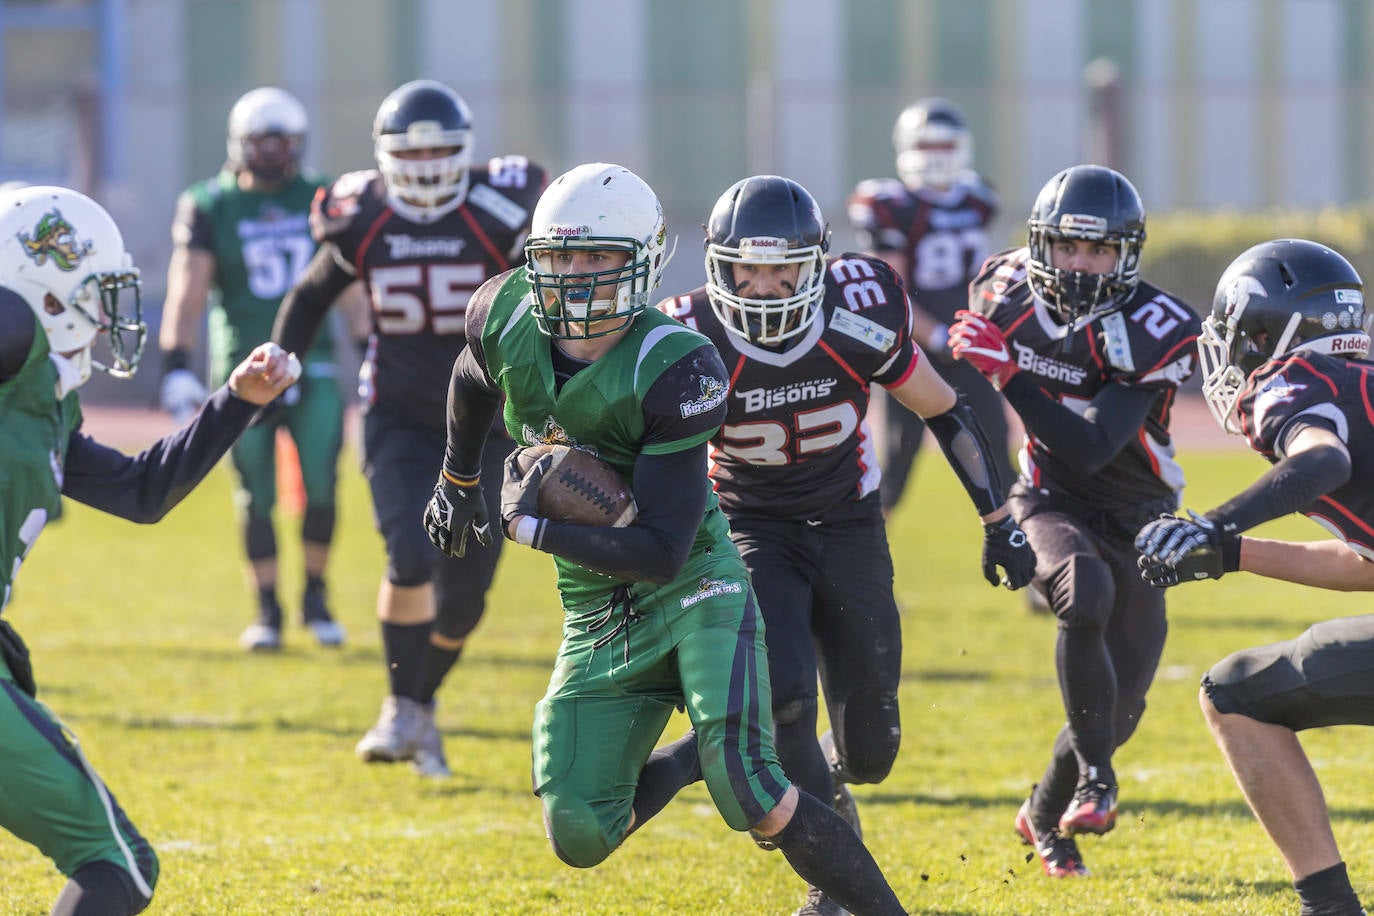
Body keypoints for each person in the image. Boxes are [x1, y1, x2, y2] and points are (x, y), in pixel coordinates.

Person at [422, 162, 909, 916]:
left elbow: (661, 550)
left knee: (750, 785)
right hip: (597, 608)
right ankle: (693, 755)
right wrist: (455, 480)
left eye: (596, 259)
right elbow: (472, 375)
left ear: (641, 262)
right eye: (560, 257)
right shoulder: (503, 312)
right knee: (579, 833)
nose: (575, 277)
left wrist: (533, 525)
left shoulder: (676, 364)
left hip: (693, 586)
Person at [659, 174, 1036, 915]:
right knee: (789, 699)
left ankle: (824, 784)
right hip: (750, 527)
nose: (763, 287)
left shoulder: (860, 308)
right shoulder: (687, 333)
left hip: (849, 523)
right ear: (718, 265)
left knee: (870, 747)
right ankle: (828, 872)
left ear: (818, 264)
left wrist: (998, 520)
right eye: (746, 268)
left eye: (782, 269)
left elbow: (943, 408)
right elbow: (647, 457)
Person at [0, 186, 300, 916]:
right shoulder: (14, 347)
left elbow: (144, 492)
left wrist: (237, 401)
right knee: (119, 867)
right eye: (95, 293)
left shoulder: (44, 398)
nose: (106, 316)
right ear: (45, 291)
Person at [272, 79, 546, 778]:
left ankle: (420, 706)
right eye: (411, 153)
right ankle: (400, 708)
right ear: (385, 157)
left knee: (465, 598)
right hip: (398, 415)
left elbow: (549, 306)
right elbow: (308, 297)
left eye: (440, 151)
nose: (425, 166)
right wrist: (282, 366)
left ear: (465, 152)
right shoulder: (362, 217)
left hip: (490, 421)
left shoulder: (496, 212)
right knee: (411, 554)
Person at [948, 164, 1201, 878]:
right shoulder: (1002, 289)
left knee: (1122, 707)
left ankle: (1044, 814)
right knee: (1081, 592)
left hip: (1138, 512)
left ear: (1128, 254)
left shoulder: (1157, 324)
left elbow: (1093, 445)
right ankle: (1097, 783)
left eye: (1100, 251)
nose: (1083, 264)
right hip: (1047, 500)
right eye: (1068, 248)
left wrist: (1008, 376)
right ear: (1041, 246)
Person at [1136, 239, 1373, 916]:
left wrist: (1216, 525)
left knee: (1235, 694)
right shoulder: (1363, 387)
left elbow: (1322, 463)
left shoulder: (1296, 379)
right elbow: (1367, 567)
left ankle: (1329, 906)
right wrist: (1233, 554)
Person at [160, 86, 350, 652]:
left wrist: (370, 349)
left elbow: (352, 283)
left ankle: (315, 594)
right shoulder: (210, 202)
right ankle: (267, 610)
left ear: (297, 143)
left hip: (311, 363)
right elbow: (187, 289)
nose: (270, 150)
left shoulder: (321, 195)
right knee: (254, 494)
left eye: (281, 139)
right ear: (240, 144)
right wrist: (174, 361)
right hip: (242, 370)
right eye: (260, 140)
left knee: (322, 482)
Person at [847, 98, 1011, 515]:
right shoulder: (891, 205)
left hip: (968, 349)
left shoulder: (978, 197)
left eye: (945, 146)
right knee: (895, 468)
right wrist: (938, 335)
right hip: (916, 349)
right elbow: (892, 290)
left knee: (1001, 464)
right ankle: (862, 569)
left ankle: (1032, 563)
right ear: (905, 147)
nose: (936, 157)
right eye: (926, 146)